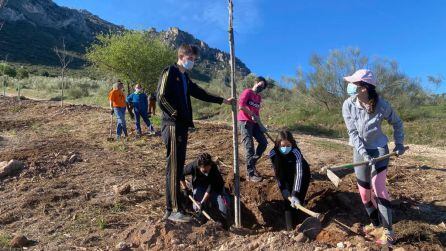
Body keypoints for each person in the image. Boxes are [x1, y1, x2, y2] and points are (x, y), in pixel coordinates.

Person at [157, 44, 234, 223]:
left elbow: (200, 93)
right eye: (190, 58)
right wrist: (175, 114)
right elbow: (160, 97)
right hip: (173, 125)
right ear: (182, 56)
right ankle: (173, 209)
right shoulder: (171, 71)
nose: (193, 62)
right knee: (174, 169)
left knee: (177, 168)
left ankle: (176, 207)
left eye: (194, 59)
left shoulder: (185, 77)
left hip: (182, 127)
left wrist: (222, 101)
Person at [342, 69, 405, 246]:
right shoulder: (348, 104)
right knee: (364, 193)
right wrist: (363, 153)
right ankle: (376, 224)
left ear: (365, 88)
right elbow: (352, 133)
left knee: (378, 188)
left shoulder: (382, 105)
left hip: (379, 150)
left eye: (355, 83)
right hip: (360, 151)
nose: (351, 86)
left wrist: (399, 144)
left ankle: (389, 233)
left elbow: (397, 123)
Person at [269, 130, 311, 225]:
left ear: (292, 144)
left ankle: (299, 225)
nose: (285, 148)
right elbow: (278, 173)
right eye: (283, 146)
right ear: (278, 145)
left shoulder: (296, 152)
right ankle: (289, 229)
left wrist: (295, 193)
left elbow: (299, 173)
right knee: (287, 203)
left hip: (302, 176)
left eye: (288, 145)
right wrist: (283, 189)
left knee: (297, 201)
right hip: (286, 175)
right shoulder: (273, 153)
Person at [182, 153, 231, 228]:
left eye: (208, 169)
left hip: (216, 189)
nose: (207, 172)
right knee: (197, 207)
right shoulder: (193, 166)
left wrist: (203, 201)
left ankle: (224, 225)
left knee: (224, 207)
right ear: (199, 167)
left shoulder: (213, 169)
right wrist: (185, 188)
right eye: (204, 170)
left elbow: (210, 189)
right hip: (200, 187)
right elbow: (180, 174)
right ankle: (201, 221)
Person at [238, 76, 268, 182]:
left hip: (254, 123)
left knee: (264, 143)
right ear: (256, 82)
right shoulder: (247, 92)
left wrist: (261, 126)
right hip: (245, 122)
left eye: (263, 87)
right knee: (249, 147)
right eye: (261, 85)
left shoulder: (258, 98)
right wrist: (250, 114)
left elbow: (257, 113)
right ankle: (250, 174)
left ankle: (252, 163)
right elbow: (241, 106)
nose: (261, 87)